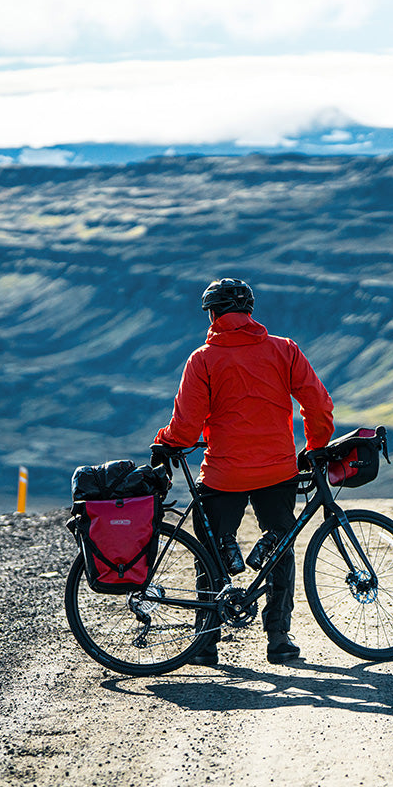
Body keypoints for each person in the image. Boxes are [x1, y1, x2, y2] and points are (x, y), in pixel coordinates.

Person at [151, 278, 335, 666]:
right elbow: (317, 405)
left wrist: (164, 440)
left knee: (209, 552)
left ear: (213, 314)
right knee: (281, 545)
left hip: (223, 474)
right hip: (278, 470)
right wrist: (316, 447)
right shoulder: (284, 350)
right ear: (250, 311)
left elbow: (185, 427)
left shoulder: (202, 360)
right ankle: (279, 639)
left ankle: (207, 641)